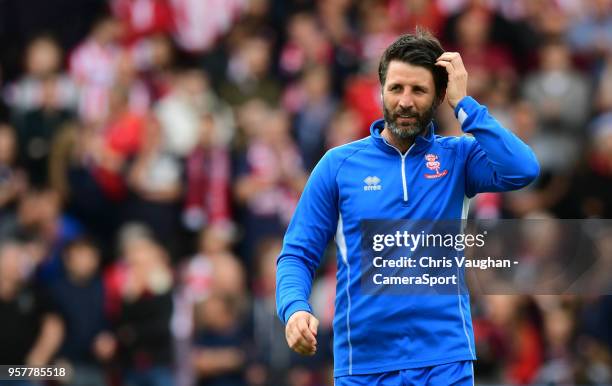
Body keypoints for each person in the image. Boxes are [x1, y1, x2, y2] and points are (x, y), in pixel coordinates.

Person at [275, 30, 540, 385]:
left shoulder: (458, 158)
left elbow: (523, 169)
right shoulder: (338, 165)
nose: (404, 101)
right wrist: (294, 309)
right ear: (381, 90)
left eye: (419, 90)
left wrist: (466, 106)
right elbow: (297, 253)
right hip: (363, 363)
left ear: (439, 96)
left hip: (445, 360)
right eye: (396, 88)